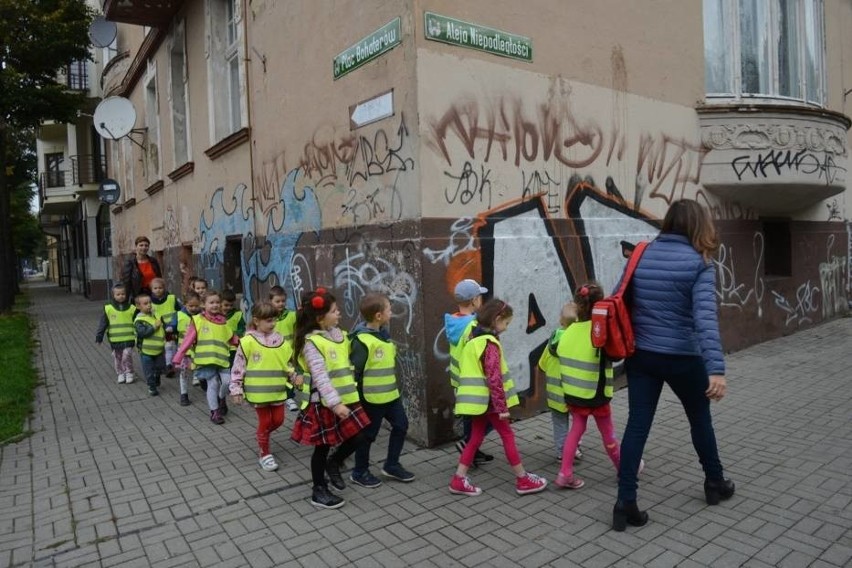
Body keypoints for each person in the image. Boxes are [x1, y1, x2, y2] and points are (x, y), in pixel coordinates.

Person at [613, 199, 732, 532]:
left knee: (637, 425)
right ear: (698, 225)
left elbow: (620, 298)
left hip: (643, 356)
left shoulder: (641, 255)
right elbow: (705, 319)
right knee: (699, 419)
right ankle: (714, 482)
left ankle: (625, 503)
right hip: (684, 357)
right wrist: (716, 369)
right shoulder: (700, 263)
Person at [449, 298, 547, 497]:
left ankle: (459, 479)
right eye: (506, 323)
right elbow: (494, 379)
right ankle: (522, 479)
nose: (507, 328)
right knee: (507, 436)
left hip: (476, 402)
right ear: (497, 319)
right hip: (490, 403)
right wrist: (502, 408)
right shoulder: (489, 344)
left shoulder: (472, 339)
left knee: (475, 438)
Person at [554, 283, 642, 490]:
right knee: (608, 433)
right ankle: (624, 468)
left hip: (574, 394)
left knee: (576, 431)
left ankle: (565, 473)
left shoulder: (567, 331)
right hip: (596, 393)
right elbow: (615, 354)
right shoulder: (599, 332)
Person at [291, 287, 370, 509]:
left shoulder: (339, 335)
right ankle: (318, 489)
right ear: (320, 318)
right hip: (324, 404)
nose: (339, 314)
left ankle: (334, 464)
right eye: (334, 311)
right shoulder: (312, 344)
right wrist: (335, 404)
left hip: (347, 399)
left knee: (361, 436)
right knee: (322, 447)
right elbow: (321, 377)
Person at [349, 292, 415, 488]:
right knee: (368, 435)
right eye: (389, 309)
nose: (391, 312)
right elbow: (355, 372)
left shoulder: (383, 335)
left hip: (390, 396)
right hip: (371, 398)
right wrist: (355, 400)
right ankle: (359, 471)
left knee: (401, 425)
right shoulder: (362, 341)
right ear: (378, 315)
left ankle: (391, 465)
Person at [230, 301, 301, 472]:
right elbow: (238, 367)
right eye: (268, 320)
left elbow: (287, 363)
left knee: (279, 420)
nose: (273, 324)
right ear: (256, 320)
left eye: (274, 320)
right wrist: (236, 389)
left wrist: (294, 376)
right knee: (266, 421)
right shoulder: (247, 341)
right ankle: (264, 454)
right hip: (258, 393)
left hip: (277, 392)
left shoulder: (280, 340)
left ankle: (262, 436)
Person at [445, 278, 493, 466]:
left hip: (459, 381)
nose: (481, 300)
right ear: (474, 301)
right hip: (474, 381)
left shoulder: (453, 322)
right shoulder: (474, 327)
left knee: (468, 417)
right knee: (489, 416)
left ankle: (472, 450)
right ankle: (468, 445)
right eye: (480, 296)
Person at [173, 290, 239, 424]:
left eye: (217, 302)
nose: (215, 305)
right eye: (211, 302)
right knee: (213, 383)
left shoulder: (223, 322)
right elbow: (187, 340)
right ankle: (214, 412)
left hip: (222, 360)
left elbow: (232, 338)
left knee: (227, 382)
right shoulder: (197, 321)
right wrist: (178, 357)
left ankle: (221, 399)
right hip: (206, 361)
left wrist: (246, 344)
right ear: (204, 305)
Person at [537, 301, 583, 461]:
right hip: (574, 392)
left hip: (555, 393)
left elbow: (542, 365)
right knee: (578, 421)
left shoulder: (551, 342)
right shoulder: (578, 343)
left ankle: (562, 452)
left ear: (560, 320)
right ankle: (575, 446)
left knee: (560, 423)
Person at [95, 283, 137, 384]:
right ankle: (120, 373)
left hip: (129, 338)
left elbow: (137, 322)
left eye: (123, 294)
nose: (121, 296)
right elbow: (103, 323)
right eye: (118, 294)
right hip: (115, 339)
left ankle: (129, 372)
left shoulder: (132, 308)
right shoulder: (108, 308)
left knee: (127, 355)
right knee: (117, 357)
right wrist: (99, 336)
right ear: (113, 295)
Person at [270, 285, 298, 411]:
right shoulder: (269, 318)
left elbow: (297, 332)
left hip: (289, 352)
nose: (280, 304)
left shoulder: (292, 315)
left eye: (283, 301)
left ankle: (290, 397)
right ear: (271, 301)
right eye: (277, 301)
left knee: (289, 374)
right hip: (274, 353)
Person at [133, 293, 166, 396]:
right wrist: (154, 327)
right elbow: (143, 333)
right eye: (145, 303)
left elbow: (162, 326)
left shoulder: (155, 315)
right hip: (146, 351)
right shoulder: (139, 320)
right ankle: (152, 387)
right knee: (149, 370)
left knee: (159, 367)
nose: (149, 305)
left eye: (150, 303)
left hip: (159, 349)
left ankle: (157, 378)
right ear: (138, 306)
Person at [150, 277, 182, 377]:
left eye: (160, 288)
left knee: (169, 346)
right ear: (151, 289)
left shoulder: (171, 298)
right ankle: (164, 365)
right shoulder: (149, 302)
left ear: (164, 288)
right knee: (161, 348)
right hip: (157, 330)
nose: (158, 290)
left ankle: (169, 366)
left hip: (170, 329)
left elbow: (180, 311)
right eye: (155, 288)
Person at [175, 291, 202, 406]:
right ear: (185, 304)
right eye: (191, 306)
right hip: (184, 351)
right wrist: (170, 329)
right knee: (183, 373)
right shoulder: (179, 315)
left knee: (199, 368)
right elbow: (171, 324)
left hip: (198, 350)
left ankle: (199, 379)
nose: (194, 308)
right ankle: (183, 394)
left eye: (196, 306)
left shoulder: (202, 316)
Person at [222, 289, 245, 366]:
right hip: (220, 348)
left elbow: (242, 329)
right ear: (220, 303)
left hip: (233, 348)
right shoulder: (216, 316)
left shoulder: (238, 315)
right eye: (226, 305)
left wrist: (234, 334)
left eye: (231, 305)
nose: (229, 307)